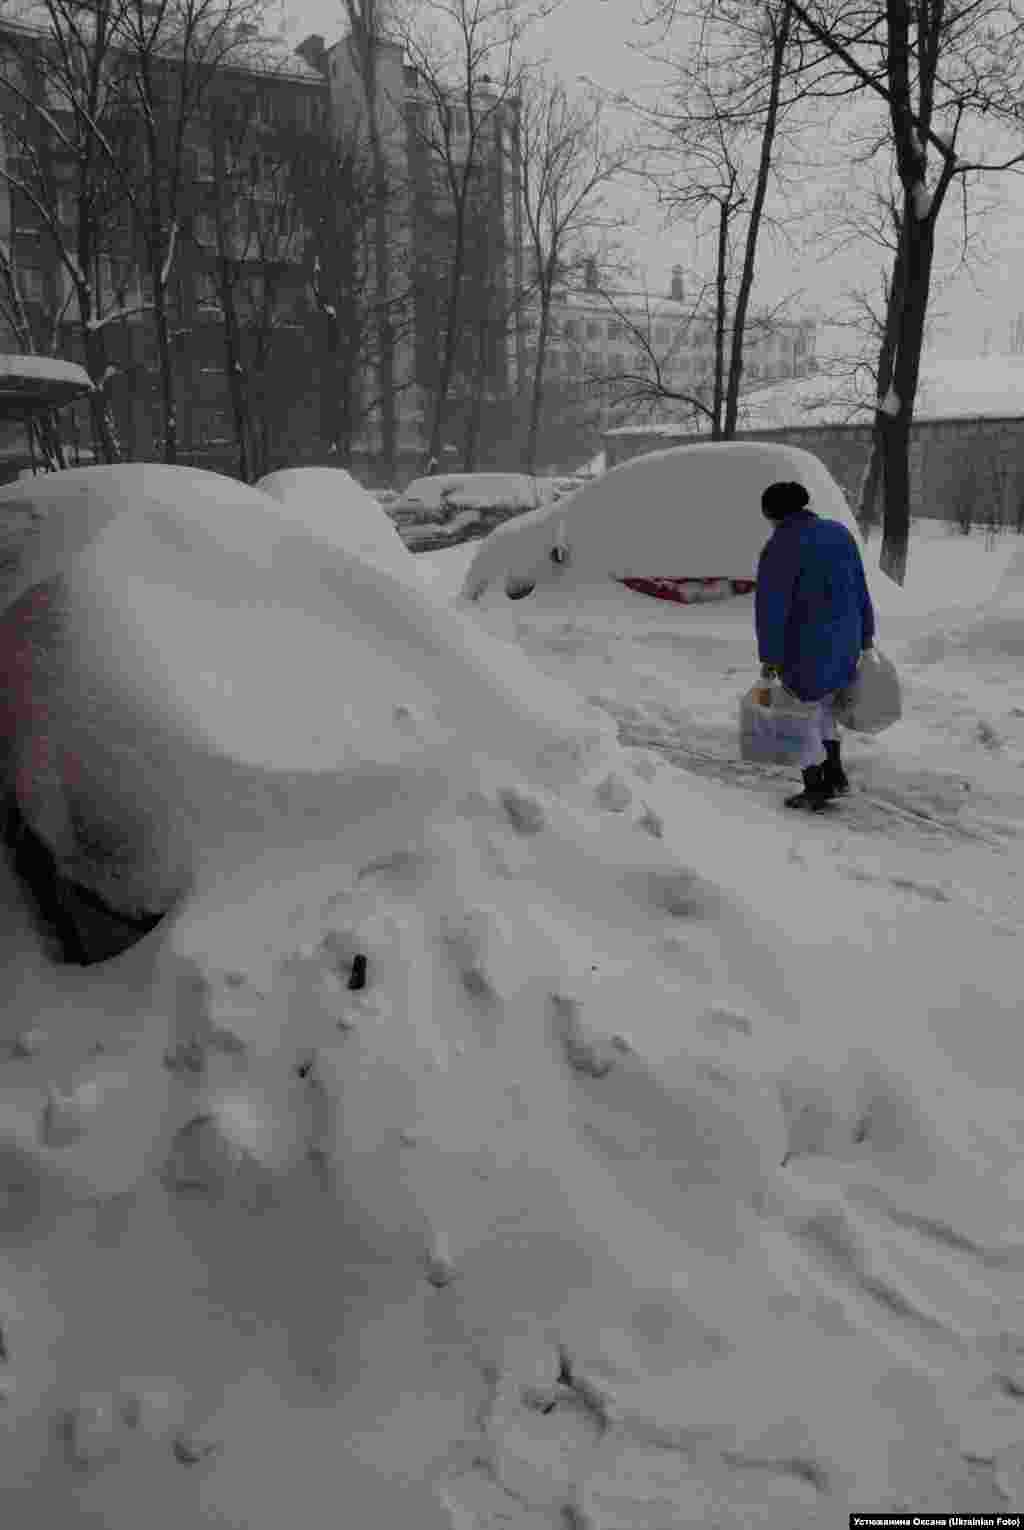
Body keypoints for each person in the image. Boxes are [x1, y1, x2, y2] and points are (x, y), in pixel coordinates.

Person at [755, 480, 876, 812]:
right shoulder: (839, 533)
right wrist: (866, 634)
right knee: (823, 706)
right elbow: (860, 588)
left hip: (805, 646)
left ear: (772, 513)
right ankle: (835, 774)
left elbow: (771, 609)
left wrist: (770, 656)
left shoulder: (780, 546)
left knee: (800, 714)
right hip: (845, 641)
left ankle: (815, 785)